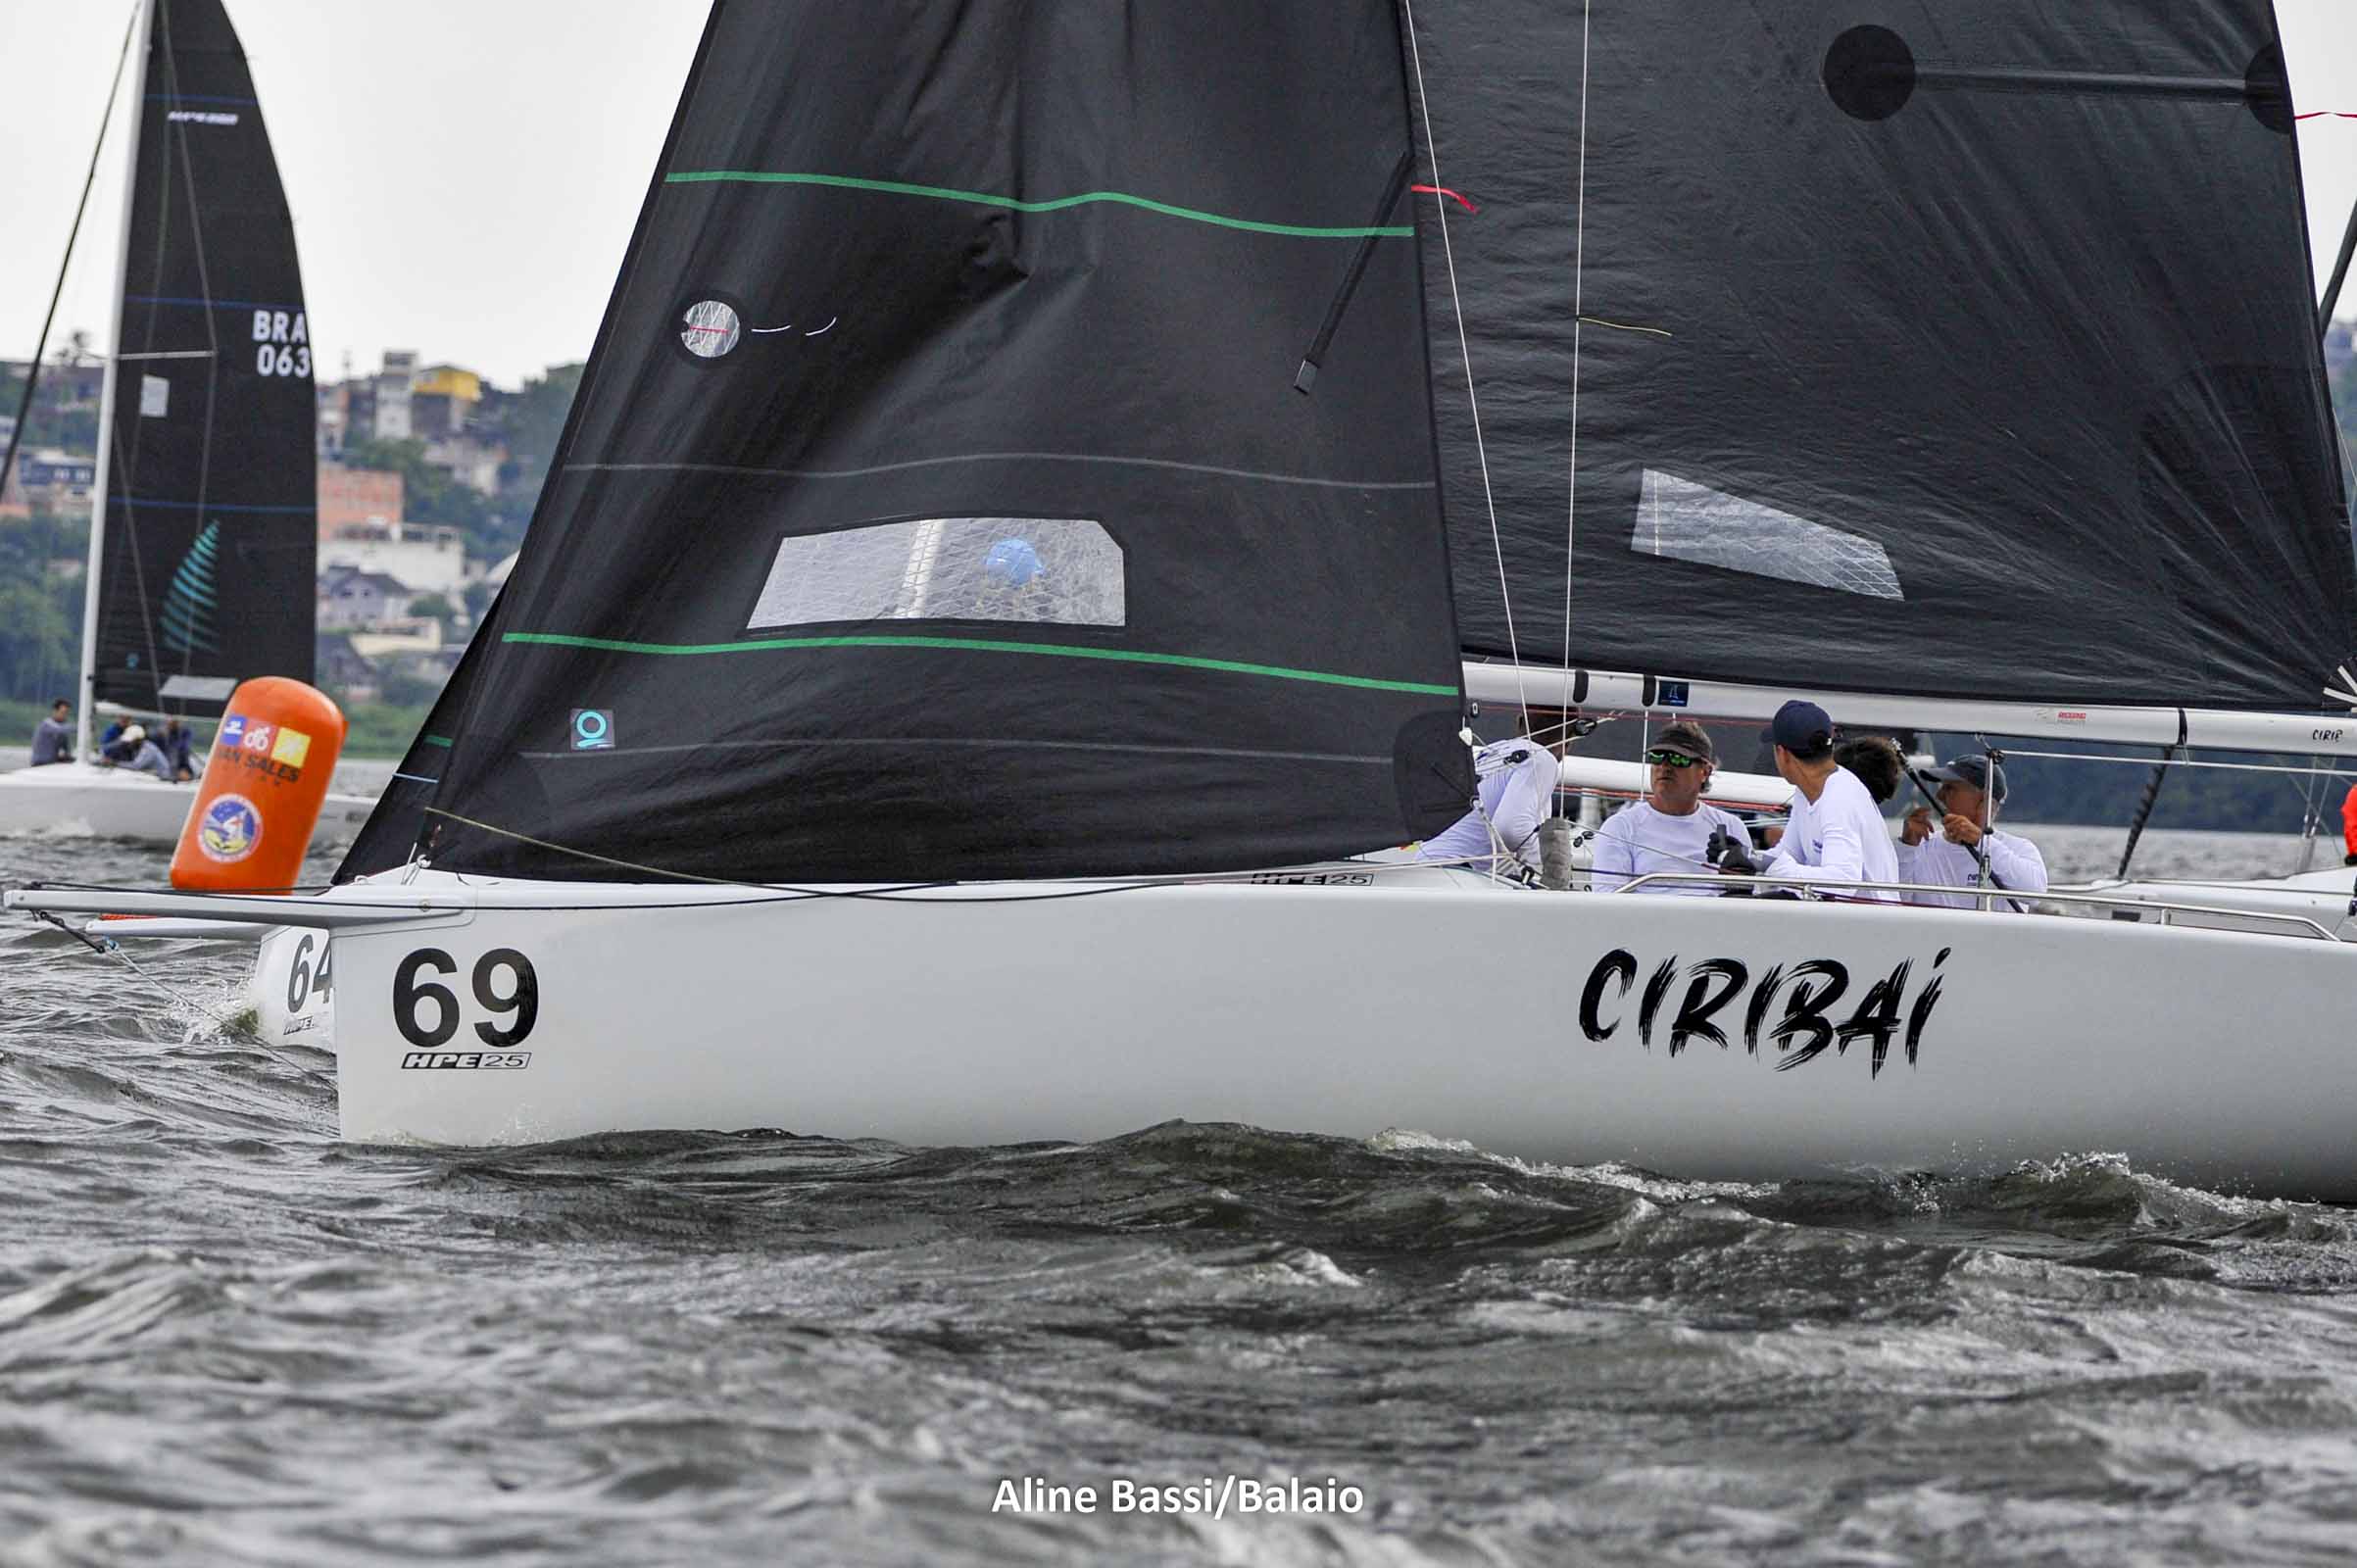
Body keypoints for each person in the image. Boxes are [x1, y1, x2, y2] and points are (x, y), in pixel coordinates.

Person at [1719, 700, 1901, 902]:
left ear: (1782, 754)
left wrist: (1760, 861)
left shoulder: (1838, 799)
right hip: (1841, 915)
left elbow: (1843, 883)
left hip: (1868, 918)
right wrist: (1744, 856)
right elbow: (1788, 854)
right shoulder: (1807, 790)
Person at [1590, 722, 1754, 895]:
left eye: (1678, 759)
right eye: (1657, 757)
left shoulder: (1732, 827)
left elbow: (1749, 895)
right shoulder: (1620, 827)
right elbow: (1607, 897)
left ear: (1705, 772)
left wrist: (1738, 881)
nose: (1665, 767)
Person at [1898, 755, 2047, 910]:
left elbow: (2036, 894)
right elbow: (1894, 901)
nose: (1939, 796)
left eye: (1950, 788)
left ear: (1985, 802)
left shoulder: (2019, 848)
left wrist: (1981, 841)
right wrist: (1907, 847)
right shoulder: (1919, 847)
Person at [1416, 730, 1562, 876]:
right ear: (1569, 741)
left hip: (1425, 867)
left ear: (1519, 723)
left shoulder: (1492, 751)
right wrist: (1553, 864)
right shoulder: (1541, 759)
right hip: (1457, 873)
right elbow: (1511, 830)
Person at [28, 699, 73, 766]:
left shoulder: (63, 729)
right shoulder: (47, 724)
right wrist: (83, 727)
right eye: (63, 712)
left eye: (67, 713)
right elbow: (60, 729)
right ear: (55, 711)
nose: (65, 715)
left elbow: (66, 749)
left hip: (51, 763)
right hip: (39, 764)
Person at [158, 717, 196, 781]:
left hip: (180, 765)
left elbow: (184, 747)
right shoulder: (163, 734)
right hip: (168, 766)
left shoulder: (185, 732)